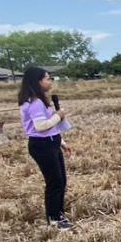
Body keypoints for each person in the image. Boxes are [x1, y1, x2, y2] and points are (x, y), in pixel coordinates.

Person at [19, 67, 74, 231]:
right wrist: (59, 115)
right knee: (55, 182)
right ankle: (54, 219)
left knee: (61, 180)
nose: (50, 82)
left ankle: (59, 214)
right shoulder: (35, 102)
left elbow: (50, 127)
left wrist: (62, 142)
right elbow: (41, 126)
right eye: (47, 78)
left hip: (51, 142)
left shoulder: (41, 100)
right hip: (42, 145)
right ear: (37, 81)